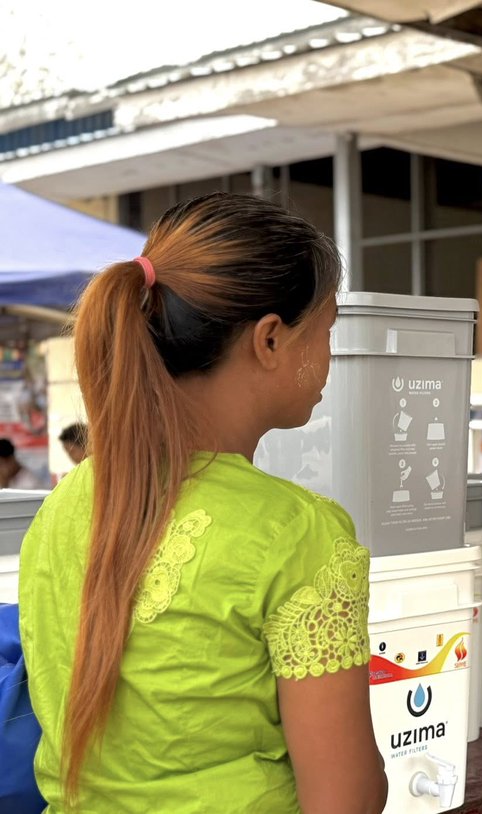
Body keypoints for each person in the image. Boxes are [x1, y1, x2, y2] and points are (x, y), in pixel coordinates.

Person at [18, 193, 388, 813]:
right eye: (326, 331)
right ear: (270, 339)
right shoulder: (298, 534)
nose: (328, 359)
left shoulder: (63, 505)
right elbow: (345, 801)